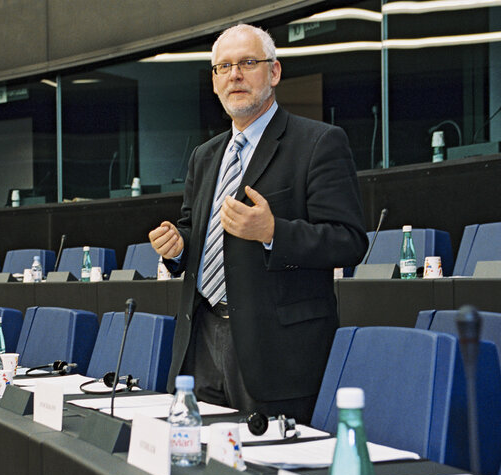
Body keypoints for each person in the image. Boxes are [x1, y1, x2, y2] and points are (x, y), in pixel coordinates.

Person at [148, 24, 368, 423]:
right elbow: (192, 229)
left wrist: (273, 233)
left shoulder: (319, 142)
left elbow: (348, 240)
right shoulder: (205, 156)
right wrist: (178, 246)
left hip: (277, 351)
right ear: (214, 83)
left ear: (274, 72)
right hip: (201, 341)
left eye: (248, 63)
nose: (235, 74)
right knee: (200, 470)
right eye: (224, 67)